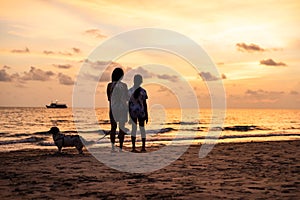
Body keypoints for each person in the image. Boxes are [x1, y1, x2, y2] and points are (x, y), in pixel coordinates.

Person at [106, 68, 128, 152]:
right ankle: (121, 148)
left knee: (113, 128)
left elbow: (109, 98)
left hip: (113, 108)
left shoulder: (110, 85)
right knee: (121, 128)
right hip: (123, 109)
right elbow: (126, 98)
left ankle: (112, 148)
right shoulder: (124, 85)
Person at [128, 74, 148, 152]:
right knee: (142, 129)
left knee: (134, 129)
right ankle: (143, 147)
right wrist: (147, 114)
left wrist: (129, 114)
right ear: (141, 81)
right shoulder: (143, 91)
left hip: (133, 112)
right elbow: (145, 104)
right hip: (141, 111)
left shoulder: (129, 91)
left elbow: (128, 104)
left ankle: (133, 148)